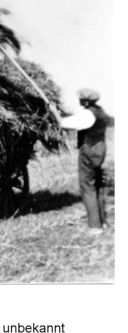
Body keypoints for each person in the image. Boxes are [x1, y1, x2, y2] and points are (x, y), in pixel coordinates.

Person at [48, 88, 110, 235]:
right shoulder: (99, 111)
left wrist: (53, 111)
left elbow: (63, 123)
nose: (79, 100)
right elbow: (76, 114)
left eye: (81, 99)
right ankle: (103, 222)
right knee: (97, 185)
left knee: (87, 186)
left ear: (87, 101)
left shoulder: (87, 115)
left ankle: (95, 227)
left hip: (89, 150)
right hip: (100, 148)